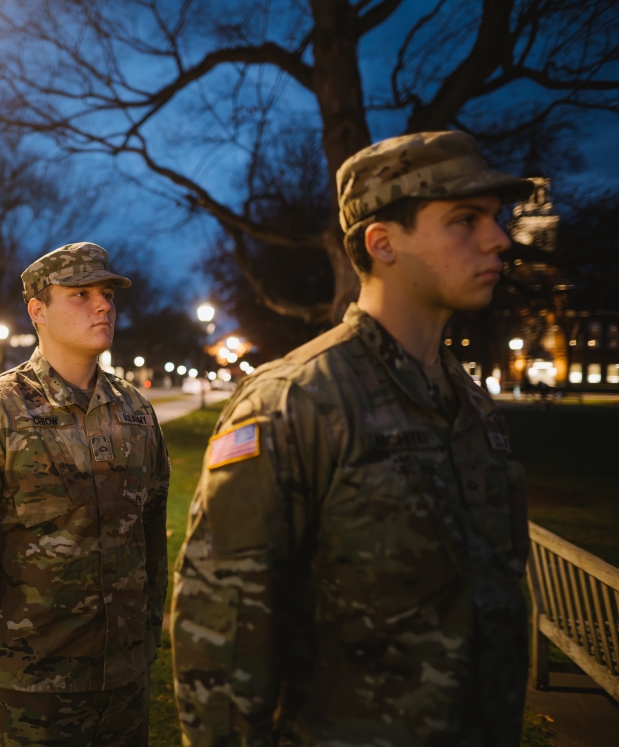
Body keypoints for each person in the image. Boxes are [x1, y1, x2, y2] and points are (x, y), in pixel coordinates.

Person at [171, 131, 535, 746]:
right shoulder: (294, 402)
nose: (499, 239)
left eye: (496, 220)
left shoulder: (473, 408)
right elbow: (222, 638)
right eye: (464, 220)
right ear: (382, 242)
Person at [0, 243, 171, 747]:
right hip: (31, 688)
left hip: (124, 682)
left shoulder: (135, 410)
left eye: (106, 294)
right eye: (80, 294)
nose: (103, 305)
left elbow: (151, 534)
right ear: (38, 311)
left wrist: (147, 638)